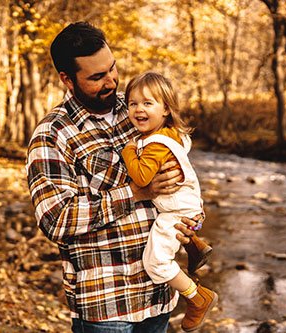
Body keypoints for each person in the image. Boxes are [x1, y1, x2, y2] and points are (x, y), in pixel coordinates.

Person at [26, 22, 203, 332]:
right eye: (97, 77)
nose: (111, 82)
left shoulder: (137, 109)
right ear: (67, 79)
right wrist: (134, 193)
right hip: (107, 305)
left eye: (112, 69)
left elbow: (178, 169)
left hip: (158, 295)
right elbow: (55, 220)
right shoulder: (52, 135)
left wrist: (191, 220)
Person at [121, 72, 218, 332]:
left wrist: (128, 151)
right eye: (132, 104)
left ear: (166, 109)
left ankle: (197, 297)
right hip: (183, 206)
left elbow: (141, 177)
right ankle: (195, 245)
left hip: (175, 211)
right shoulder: (170, 134)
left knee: (155, 263)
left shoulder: (155, 144)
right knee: (167, 244)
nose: (138, 109)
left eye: (147, 103)